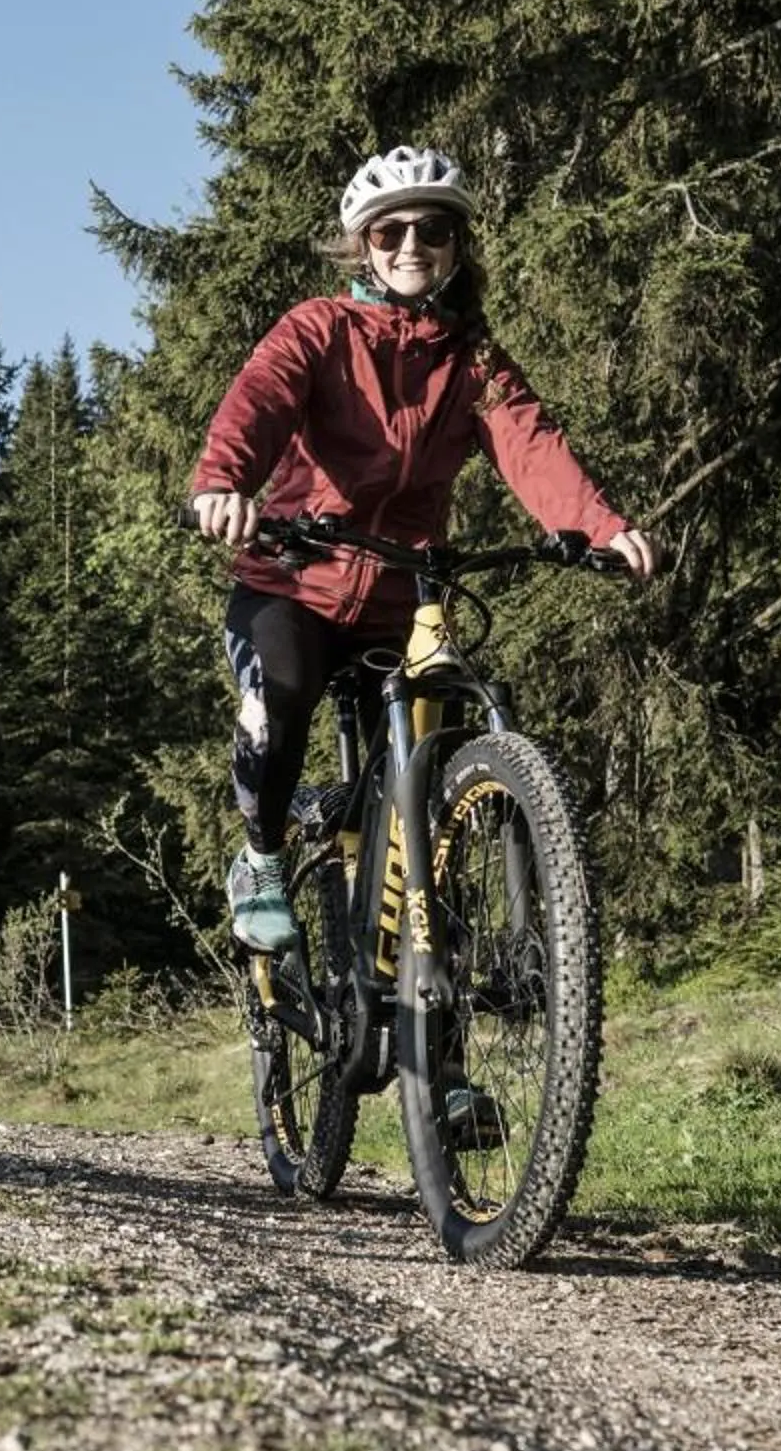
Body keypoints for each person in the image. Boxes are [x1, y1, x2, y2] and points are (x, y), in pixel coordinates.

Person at [188, 143, 661, 952]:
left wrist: (602, 527)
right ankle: (262, 859)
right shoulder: (320, 329)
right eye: (391, 231)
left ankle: (432, 1052)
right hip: (294, 581)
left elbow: (532, 445)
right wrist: (223, 483)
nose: (412, 245)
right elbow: (259, 399)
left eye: (432, 229)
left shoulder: (471, 360)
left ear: (455, 245)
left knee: (424, 782)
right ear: (363, 245)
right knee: (282, 698)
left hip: (400, 600)